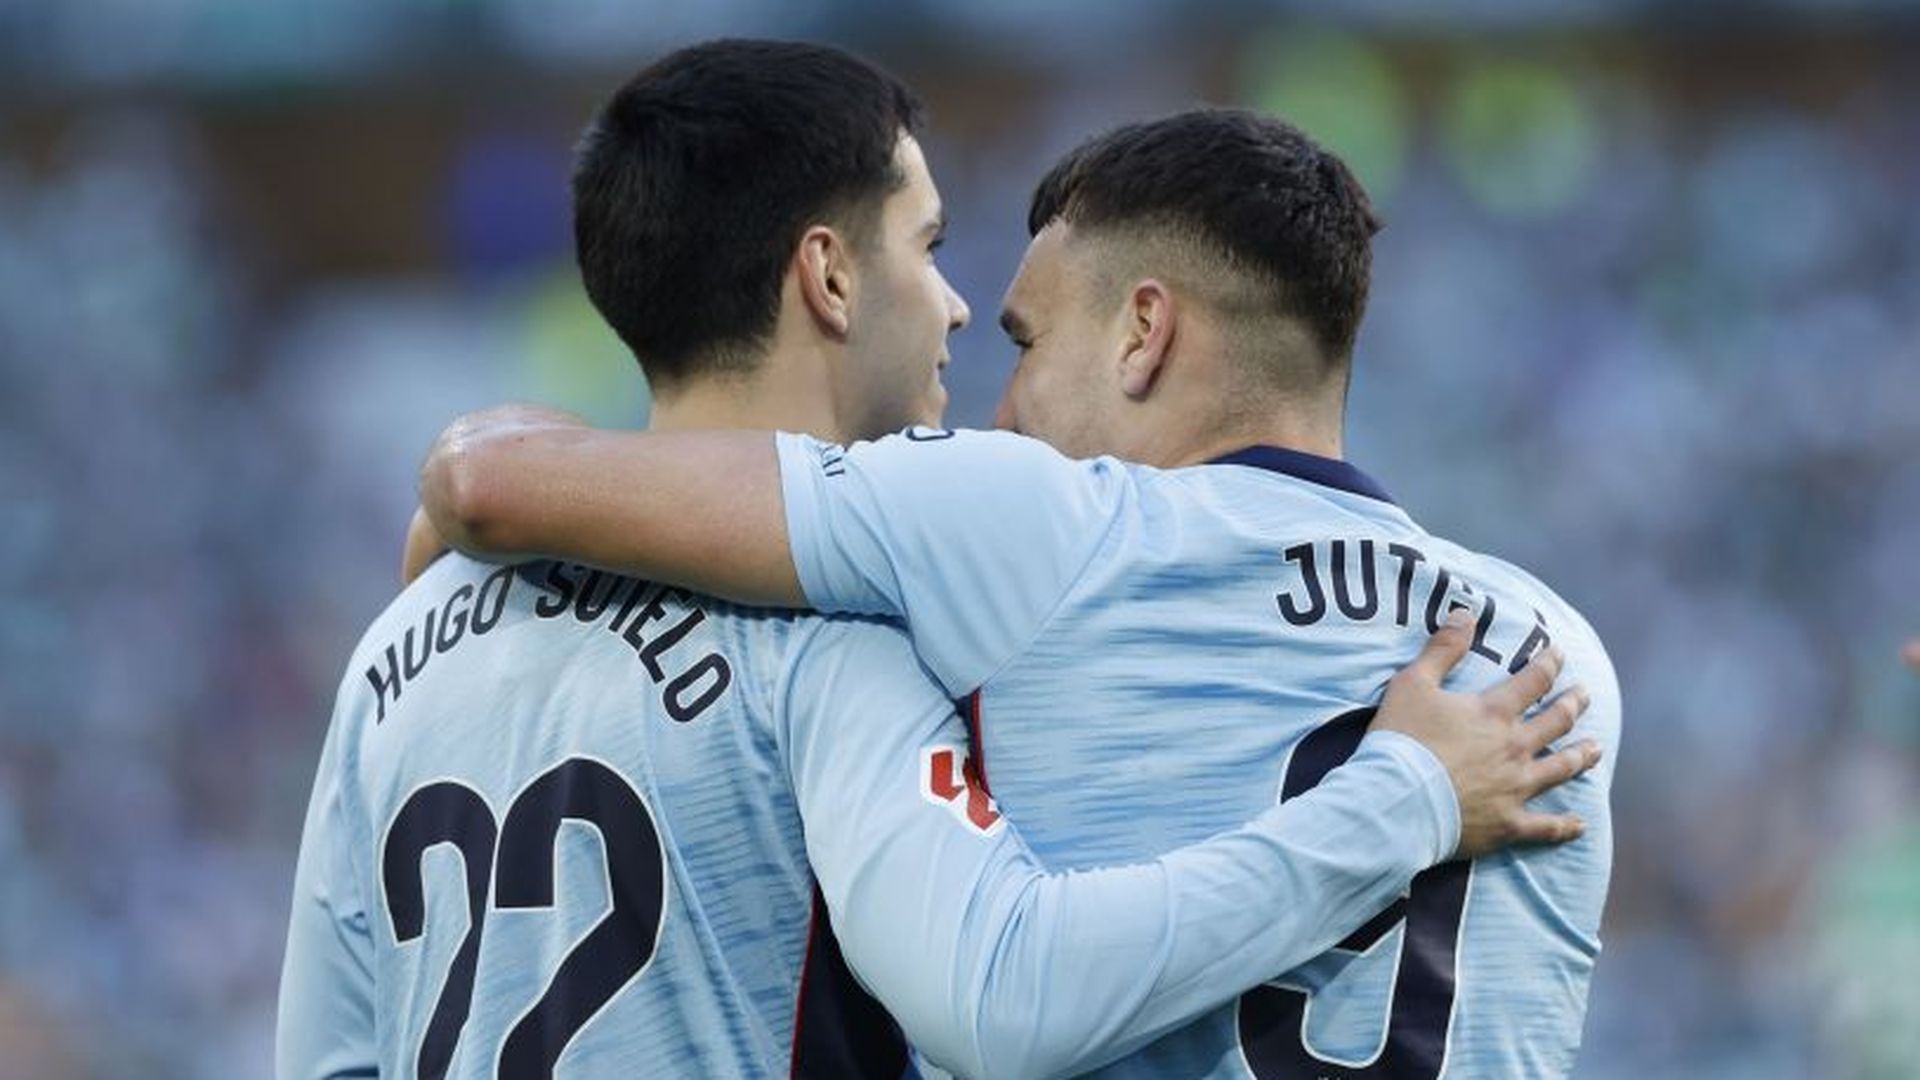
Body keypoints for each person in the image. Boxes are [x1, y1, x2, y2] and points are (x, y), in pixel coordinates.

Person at [281, 42, 1593, 1080]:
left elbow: (331, 1058)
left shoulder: (397, 651)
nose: (965, 315)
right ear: (831, 282)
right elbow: (1010, 1000)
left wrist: (467, 499)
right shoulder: (846, 642)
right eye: (930, 249)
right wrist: (1406, 795)